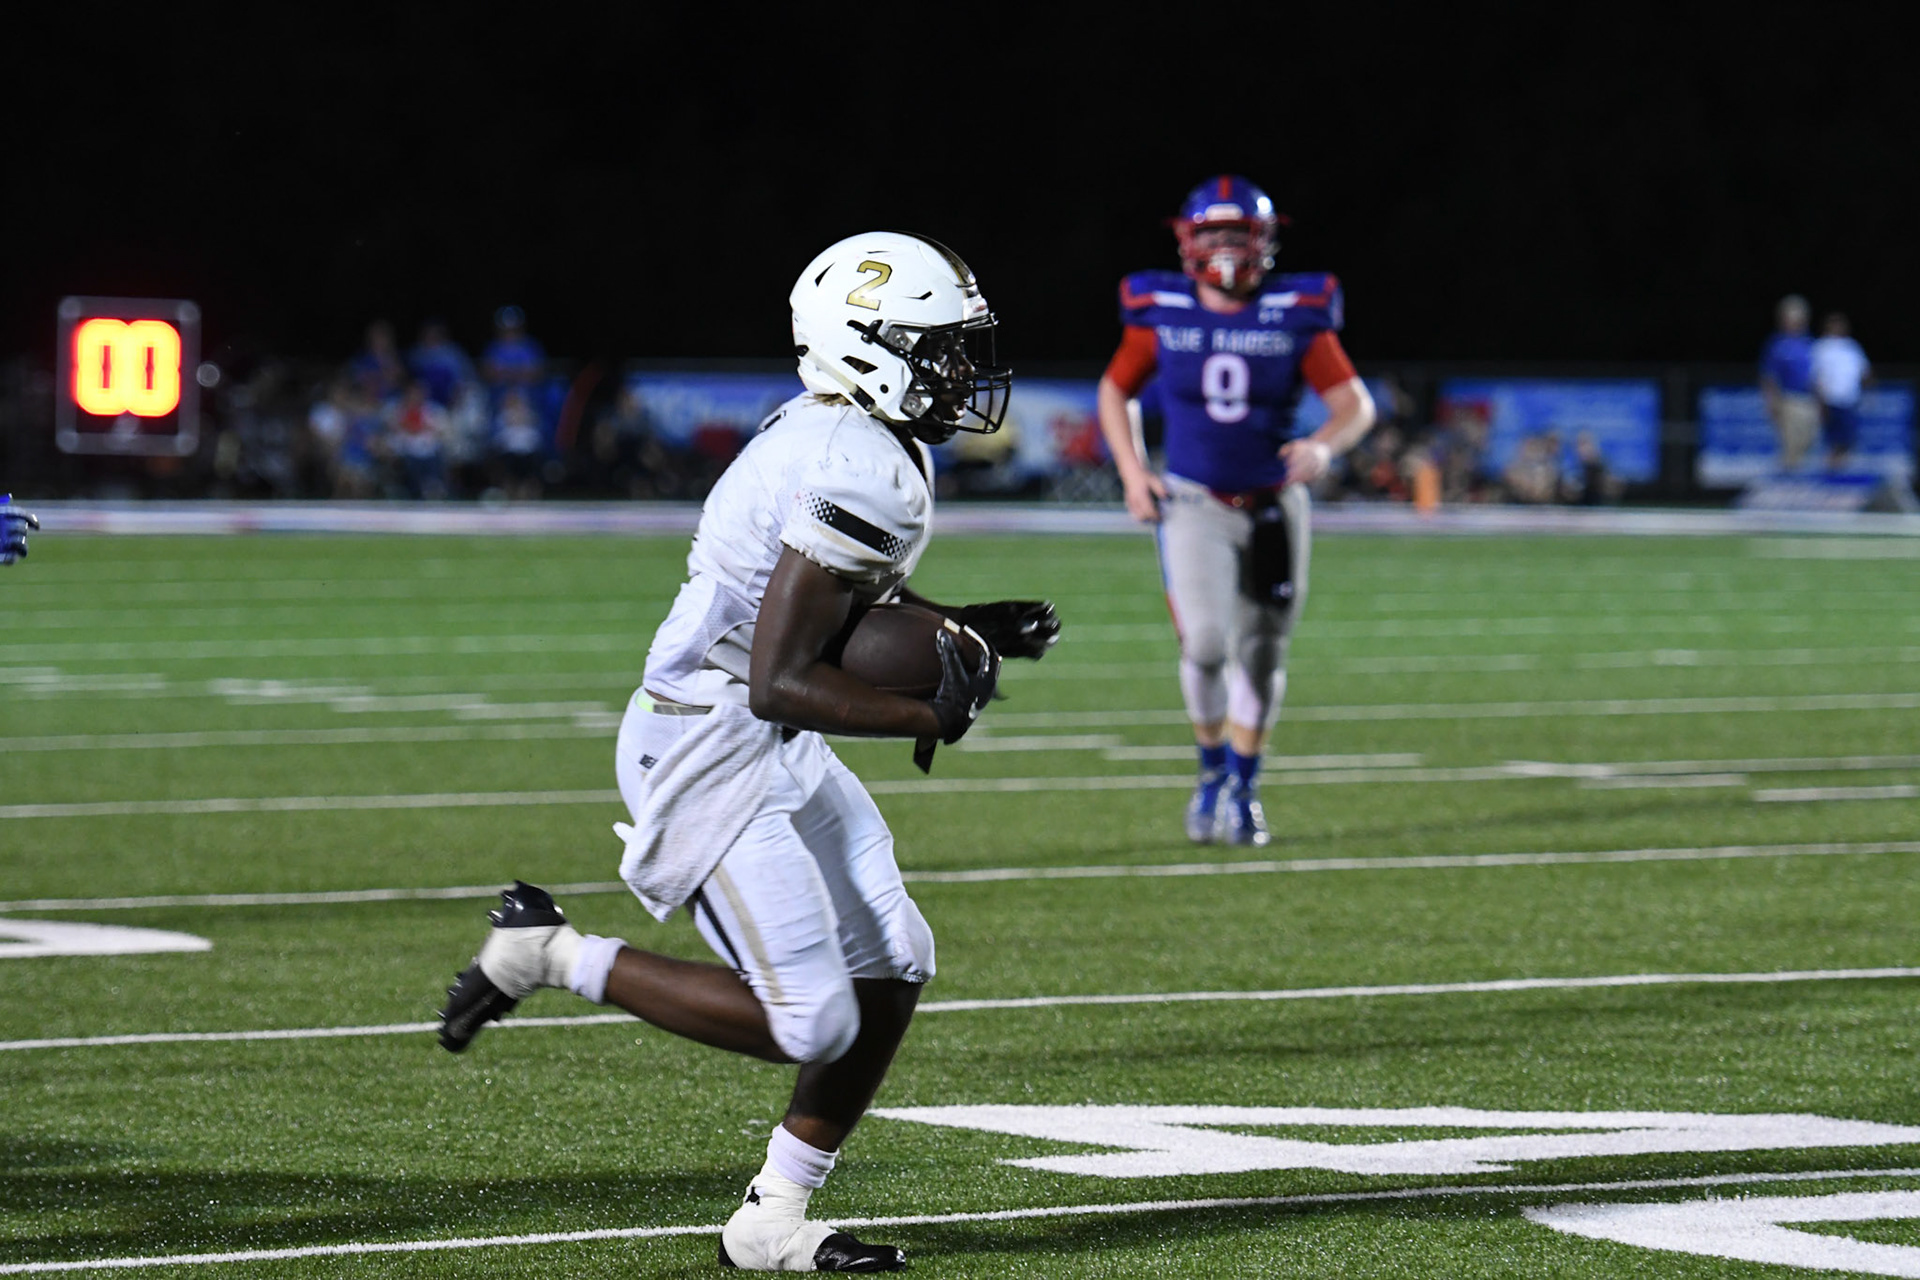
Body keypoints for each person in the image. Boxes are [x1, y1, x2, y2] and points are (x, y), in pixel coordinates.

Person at [436, 231, 1059, 1273]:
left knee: (895, 958)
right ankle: (549, 953)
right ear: (868, 346)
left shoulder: (858, 436)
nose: (961, 371)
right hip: (707, 740)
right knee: (809, 1020)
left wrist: (961, 624)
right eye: (939, 347)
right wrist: (928, 718)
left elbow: (845, 604)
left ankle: (772, 1216)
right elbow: (783, 678)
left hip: (761, 728)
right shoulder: (853, 459)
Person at [1095, 175, 1375, 847]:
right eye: (1213, 233)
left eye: (1238, 233)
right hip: (1194, 500)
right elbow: (1115, 389)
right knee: (1205, 645)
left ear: (1264, 241)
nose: (1225, 248)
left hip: (1275, 504)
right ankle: (1212, 770)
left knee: (1263, 650)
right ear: (1187, 241)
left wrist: (1324, 446)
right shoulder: (1162, 311)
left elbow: (1355, 405)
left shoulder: (1293, 313)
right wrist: (1133, 472)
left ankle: (1246, 786)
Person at [1759, 294, 1817, 472]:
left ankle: (1797, 477)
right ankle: (1788, 480)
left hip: (1810, 400)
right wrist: (1771, 402)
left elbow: (1819, 374)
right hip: (1788, 400)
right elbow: (1769, 376)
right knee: (1791, 445)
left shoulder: (1810, 342)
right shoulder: (1777, 344)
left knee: (1808, 443)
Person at [1810, 312, 1872, 470]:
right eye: (1834, 324)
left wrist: (1867, 392)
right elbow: (1815, 375)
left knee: (1848, 440)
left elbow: (1864, 371)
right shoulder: (1821, 347)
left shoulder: (1852, 346)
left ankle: (1841, 471)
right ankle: (1830, 473)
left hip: (1849, 400)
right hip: (1830, 400)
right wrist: (1820, 400)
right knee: (1832, 441)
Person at [1, 494, 38, 565]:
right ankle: (17, 542)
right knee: (19, 526)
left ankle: (15, 543)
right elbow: (34, 522)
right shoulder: (12, 510)